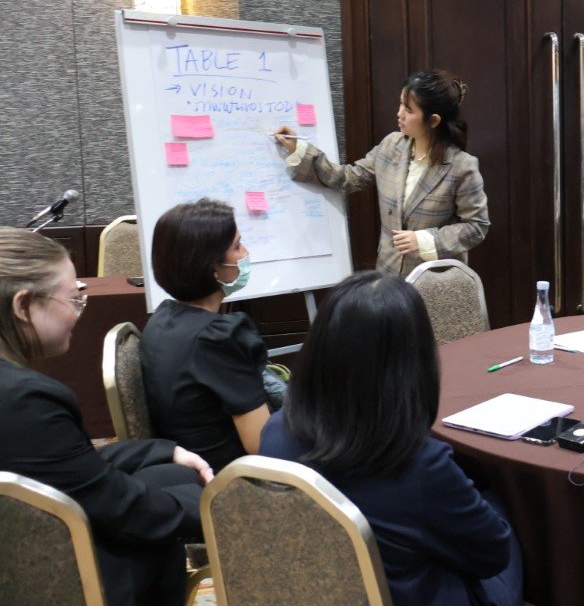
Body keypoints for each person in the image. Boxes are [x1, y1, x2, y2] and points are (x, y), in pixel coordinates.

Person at [260, 270, 522, 606]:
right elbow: (492, 556)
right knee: (503, 505)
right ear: (413, 362)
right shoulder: (420, 465)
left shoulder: (274, 432)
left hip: (314, 592)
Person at [0, 227, 212, 606]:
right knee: (158, 527)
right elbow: (122, 510)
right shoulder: (25, 400)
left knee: (169, 473)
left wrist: (162, 450)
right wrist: (216, 503)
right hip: (36, 575)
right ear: (22, 305)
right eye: (73, 299)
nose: (79, 312)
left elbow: (62, 466)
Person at [276, 69, 489, 277]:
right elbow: (347, 178)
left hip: (434, 281)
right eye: (401, 103)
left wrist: (424, 240)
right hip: (388, 274)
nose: (399, 113)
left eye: (409, 110)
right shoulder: (391, 145)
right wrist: (299, 149)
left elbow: (476, 226)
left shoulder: (462, 166)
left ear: (433, 121)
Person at [141, 199, 278, 473]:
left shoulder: (161, 320)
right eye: (237, 246)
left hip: (187, 467)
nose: (246, 253)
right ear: (214, 268)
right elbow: (263, 445)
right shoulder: (217, 339)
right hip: (230, 477)